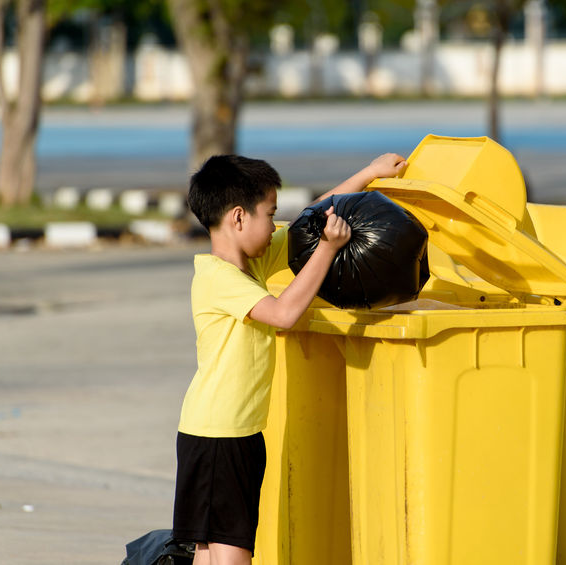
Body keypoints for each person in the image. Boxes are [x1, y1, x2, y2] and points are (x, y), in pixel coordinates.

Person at [172, 152, 407, 565]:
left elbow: (308, 223)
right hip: (219, 435)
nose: (275, 225)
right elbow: (283, 315)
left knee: (210, 549)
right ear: (239, 218)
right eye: (270, 214)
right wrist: (330, 250)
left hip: (228, 432)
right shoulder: (219, 278)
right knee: (231, 551)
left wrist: (369, 174)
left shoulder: (253, 265)